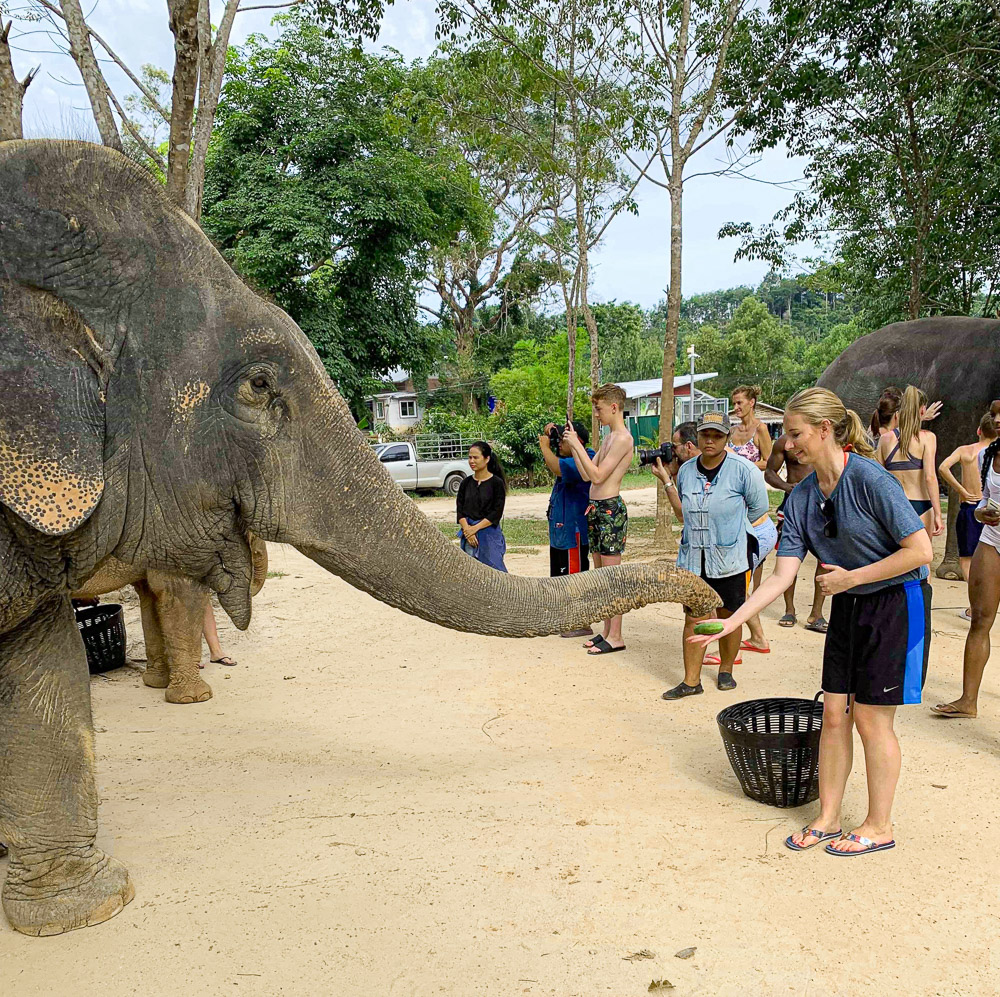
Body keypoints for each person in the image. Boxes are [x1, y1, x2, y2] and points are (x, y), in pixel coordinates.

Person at [690, 388, 933, 855]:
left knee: (870, 720)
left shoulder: (869, 480)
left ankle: (879, 825)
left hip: (895, 602)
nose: (787, 444)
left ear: (826, 431)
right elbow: (781, 576)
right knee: (833, 715)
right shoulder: (802, 497)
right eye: (784, 435)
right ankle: (827, 816)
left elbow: (919, 552)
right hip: (849, 603)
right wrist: (732, 622)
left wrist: (851, 578)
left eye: (796, 434)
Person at [652, 411, 768, 698]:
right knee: (694, 618)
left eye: (717, 435)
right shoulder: (687, 471)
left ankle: (726, 669)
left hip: (730, 559)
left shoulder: (744, 471)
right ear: (699, 437)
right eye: (706, 434)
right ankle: (692, 681)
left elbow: (757, 510)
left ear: (727, 438)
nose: (710, 441)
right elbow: (684, 516)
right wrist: (667, 481)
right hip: (694, 560)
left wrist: (728, 530)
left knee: (729, 616)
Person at [931, 433, 1000, 719]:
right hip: (992, 539)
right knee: (980, 619)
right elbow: (984, 499)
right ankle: (967, 701)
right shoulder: (987, 456)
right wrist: (982, 513)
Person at [562, 384, 635, 655]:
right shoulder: (608, 438)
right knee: (601, 576)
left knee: (612, 577)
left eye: (599, 408)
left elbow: (598, 476)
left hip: (609, 509)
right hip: (595, 508)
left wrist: (577, 446)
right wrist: (575, 447)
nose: (596, 414)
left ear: (614, 407)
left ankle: (616, 635)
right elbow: (585, 474)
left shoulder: (623, 439)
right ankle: (606, 632)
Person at [765, 434, 829, 633]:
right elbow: (769, 472)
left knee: (824, 559)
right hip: (793, 504)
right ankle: (789, 609)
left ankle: (816, 613)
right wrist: (786, 487)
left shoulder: (825, 439)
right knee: (789, 556)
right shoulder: (784, 443)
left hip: (822, 503)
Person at [937, 412, 998, 620]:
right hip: (991, 508)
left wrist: (960, 490)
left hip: (970, 507)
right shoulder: (994, 454)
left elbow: (943, 467)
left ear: (978, 430)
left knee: (967, 559)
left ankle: (975, 606)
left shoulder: (966, 451)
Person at [540, 420, 595, 638]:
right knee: (560, 577)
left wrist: (544, 446)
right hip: (560, 530)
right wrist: (552, 434)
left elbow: (556, 467)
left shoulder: (585, 457)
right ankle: (564, 618)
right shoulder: (569, 456)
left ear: (576, 440)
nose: (557, 445)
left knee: (575, 578)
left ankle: (581, 622)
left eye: (562, 440)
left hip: (574, 531)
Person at [876, 385, 943, 538]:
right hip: (922, 505)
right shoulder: (927, 438)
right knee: (923, 558)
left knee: (897, 557)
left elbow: (878, 479)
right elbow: (930, 477)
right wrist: (938, 513)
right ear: (922, 410)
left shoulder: (886, 439)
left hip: (895, 505)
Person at [456, 441, 508, 572]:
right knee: (470, 574)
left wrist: (475, 529)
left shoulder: (497, 483)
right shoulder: (465, 483)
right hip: (468, 536)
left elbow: (496, 513)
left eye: (476, 457)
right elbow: (460, 510)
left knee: (495, 573)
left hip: (488, 535)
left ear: (487, 459)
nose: (472, 461)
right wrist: (467, 530)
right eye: (469, 457)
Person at [729, 384, 773, 470]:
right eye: (734, 404)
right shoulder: (732, 431)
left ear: (751, 402)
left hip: (750, 481)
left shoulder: (760, 428)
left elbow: (769, 463)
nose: (735, 407)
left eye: (739, 403)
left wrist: (742, 466)